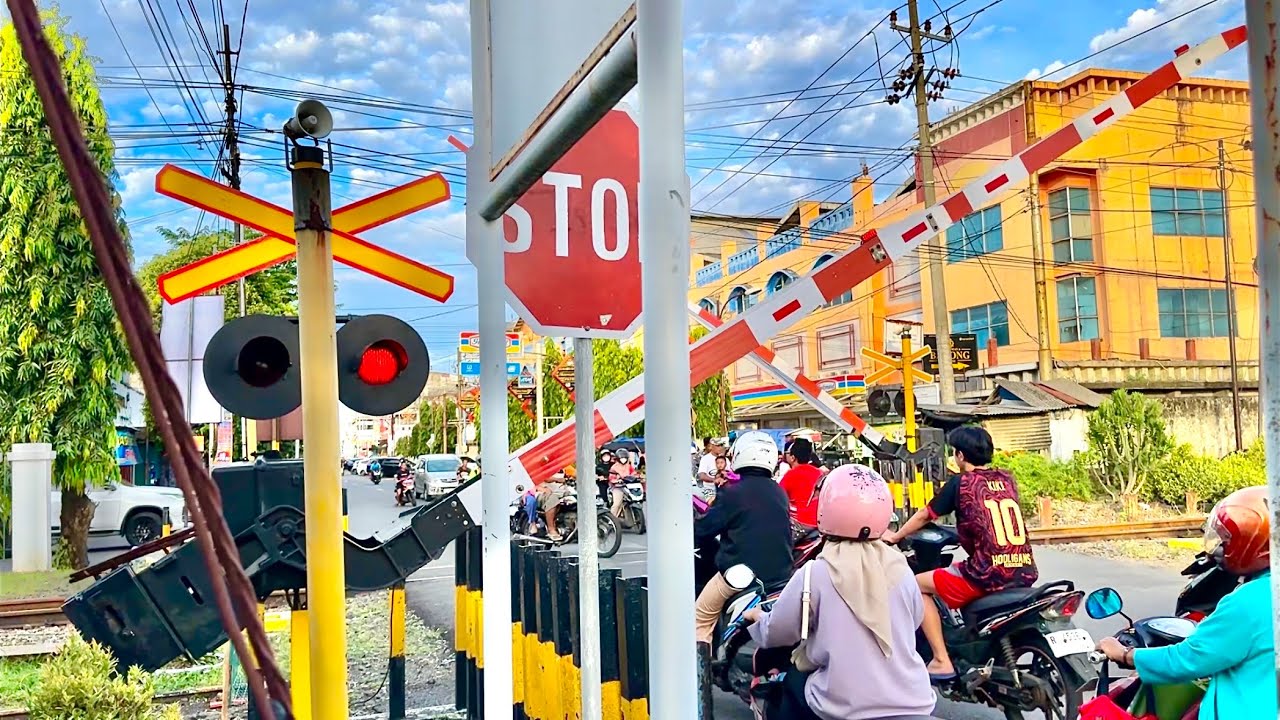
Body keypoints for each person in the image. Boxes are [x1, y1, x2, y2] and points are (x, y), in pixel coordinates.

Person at [742, 465, 937, 720]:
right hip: (913, 699)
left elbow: (778, 631)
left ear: (826, 509)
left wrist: (758, 617)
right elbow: (912, 621)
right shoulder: (901, 568)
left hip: (843, 705)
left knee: (790, 684)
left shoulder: (816, 573)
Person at [1095, 485, 1275, 719]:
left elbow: (1187, 660)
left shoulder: (1249, 602)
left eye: (1227, 539)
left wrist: (1125, 654)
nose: (1221, 547)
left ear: (1250, 543)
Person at [883, 425, 1037, 680]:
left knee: (915, 585)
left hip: (986, 574)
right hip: (1023, 571)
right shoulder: (1008, 479)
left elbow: (925, 515)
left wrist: (896, 535)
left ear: (960, 456)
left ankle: (942, 660)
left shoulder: (961, 483)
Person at [693, 431, 793, 693]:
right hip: (781, 577)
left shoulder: (732, 493)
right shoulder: (779, 492)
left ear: (738, 456)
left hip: (740, 576)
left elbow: (703, 530)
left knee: (701, 618)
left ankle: (699, 681)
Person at [779, 439, 822, 530]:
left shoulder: (790, 475)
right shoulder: (819, 473)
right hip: (819, 523)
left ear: (792, 457)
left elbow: (778, 499)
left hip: (800, 525)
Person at [527, 466, 576, 541]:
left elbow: (575, 473)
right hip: (541, 491)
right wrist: (557, 480)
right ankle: (551, 529)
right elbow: (544, 477)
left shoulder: (564, 466)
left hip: (560, 492)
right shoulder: (540, 465)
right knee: (553, 499)